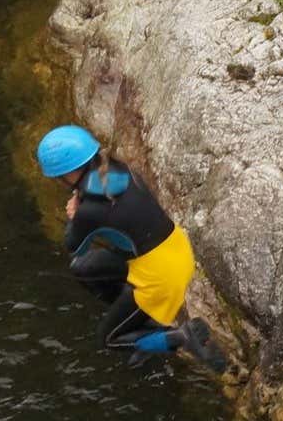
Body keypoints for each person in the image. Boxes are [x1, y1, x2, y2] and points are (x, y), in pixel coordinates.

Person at [36, 125, 225, 371]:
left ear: (64, 174)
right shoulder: (116, 168)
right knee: (84, 269)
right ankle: (140, 323)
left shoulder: (88, 211)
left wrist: (74, 215)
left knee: (109, 340)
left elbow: (75, 246)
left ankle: (178, 337)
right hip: (175, 249)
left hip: (161, 277)